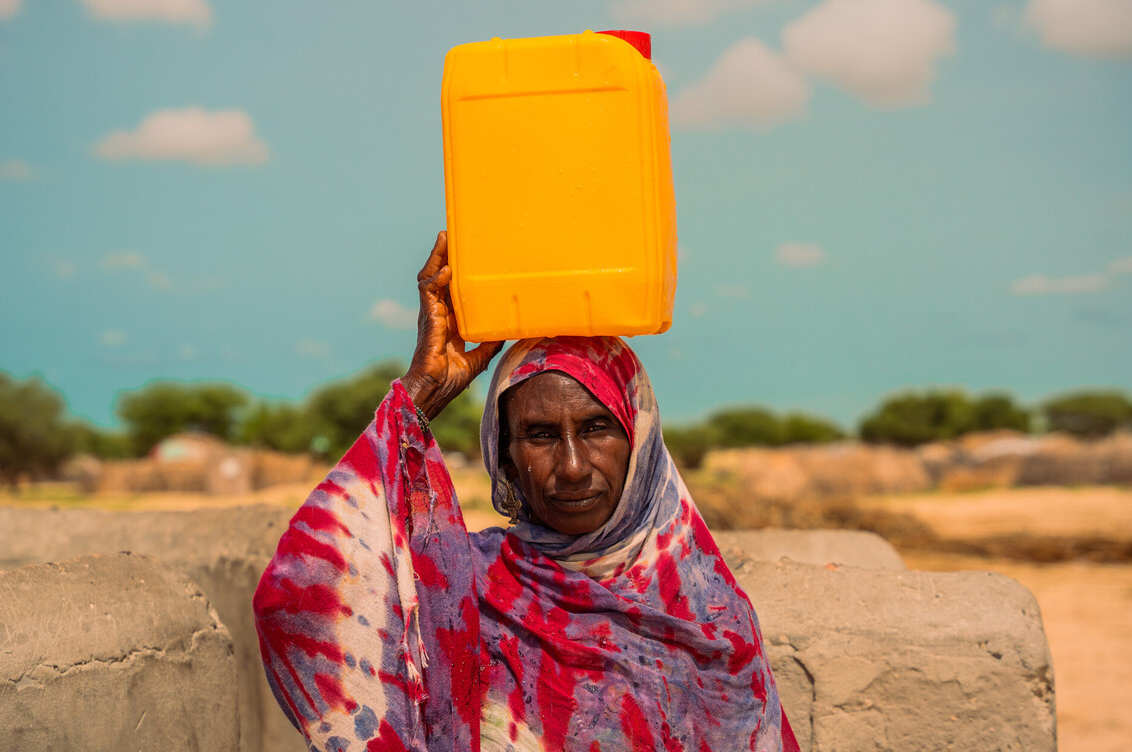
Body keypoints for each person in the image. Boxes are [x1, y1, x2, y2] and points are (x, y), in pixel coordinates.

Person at [254, 232, 798, 752]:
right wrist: (418, 399)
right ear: (506, 457)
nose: (572, 466)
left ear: (641, 441)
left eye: (596, 428)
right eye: (539, 436)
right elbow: (298, 601)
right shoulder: (467, 590)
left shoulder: (709, 617)